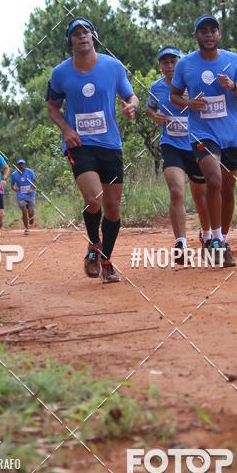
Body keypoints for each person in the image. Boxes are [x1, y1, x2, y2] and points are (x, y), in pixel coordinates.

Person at [46, 17, 139, 283]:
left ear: (93, 36)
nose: (82, 36)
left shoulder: (113, 67)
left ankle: (105, 258)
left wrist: (131, 106)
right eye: (76, 34)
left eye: (86, 31)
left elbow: (131, 96)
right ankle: (94, 243)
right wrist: (66, 129)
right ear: (70, 41)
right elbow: (53, 107)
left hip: (110, 144)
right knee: (94, 198)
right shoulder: (60, 73)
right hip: (80, 145)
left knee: (112, 208)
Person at [169, 15, 237, 267]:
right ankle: (215, 241)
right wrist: (188, 103)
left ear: (219, 35)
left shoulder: (233, 61)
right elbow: (174, 95)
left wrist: (233, 87)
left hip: (230, 137)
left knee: (227, 189)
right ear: (195, 35)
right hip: (201, 134)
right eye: (203, 31)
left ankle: (223, 239)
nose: (208, 34)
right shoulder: (185, 65)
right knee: (213, 179)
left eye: (212, 30)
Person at [147, 46, 211, 261]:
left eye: (173, 61)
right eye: (165, 62)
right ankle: (181, 243)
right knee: (176, 192)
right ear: (160, 66)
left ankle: (207, 234)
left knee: (201, 197)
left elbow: (207, 106)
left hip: (195, 145)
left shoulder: (192, 83)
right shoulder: (156, 87)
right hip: (171, 144)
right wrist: (155, 116)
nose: (170, 66)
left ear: (181, 62)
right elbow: (151, 108)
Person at [10, 158, 36, 235]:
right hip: (21, 195)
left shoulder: (29, 172)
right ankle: (26, 228)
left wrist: (32, 188)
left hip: (30, 195)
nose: (21, 166)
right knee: (24, 211)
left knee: (30, 212)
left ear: (24, 165)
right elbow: (12, 185)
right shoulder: (14, 174)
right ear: (17, 165)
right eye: (19, 164)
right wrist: (15, 189)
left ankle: (31, 218)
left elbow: (34, 181)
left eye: (22, 164)